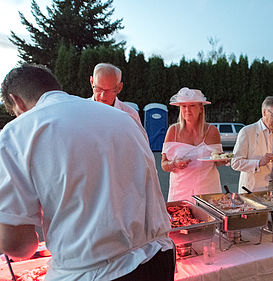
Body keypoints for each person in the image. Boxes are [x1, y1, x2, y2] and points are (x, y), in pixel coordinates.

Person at [0, 64, 174, 280]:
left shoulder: (15, 133)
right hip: (159, 258)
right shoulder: (123, 119)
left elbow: (19, 245)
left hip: (93, 272)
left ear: (16, 100)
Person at [161, 87, 225, 202]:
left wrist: (223, 159)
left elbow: (217, 160)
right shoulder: (173, 131)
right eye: (183, 106)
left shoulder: (212, 131)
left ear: (201, 108)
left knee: (210, 219)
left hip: (208, 192)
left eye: (192, 106)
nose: (187, 110)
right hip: (180, 192)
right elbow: (164, 164)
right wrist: (174, 164)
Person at [231, 96, 273, 192]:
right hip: (251, 190)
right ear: (264, 112)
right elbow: (235, 163)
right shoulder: (247, 132)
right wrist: (258, 162)